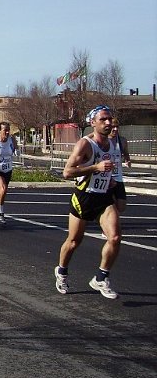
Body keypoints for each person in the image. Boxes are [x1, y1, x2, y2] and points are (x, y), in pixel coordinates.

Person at [54, 106, 121, 299]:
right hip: (84, 197)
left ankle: (101, 277)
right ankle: (62, 271)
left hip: (103, 197)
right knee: (74, 241)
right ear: (93, 122)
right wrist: (95, 167)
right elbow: (67, 172)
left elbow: (105, 170)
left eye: (109, 119)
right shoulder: (85, 144)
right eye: (103, 119)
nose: (108, 123)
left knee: (115, 238)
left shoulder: (111, 144)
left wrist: (110, 179)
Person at [109, 117, 131, 213]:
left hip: (118, 177)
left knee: (121, 206)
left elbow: (126, 152)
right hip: (106, 177)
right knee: (109, 206)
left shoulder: (122, 141)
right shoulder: (102, 141)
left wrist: (127, 160)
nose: (115, 129)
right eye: (113, 127)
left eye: (117, 127)